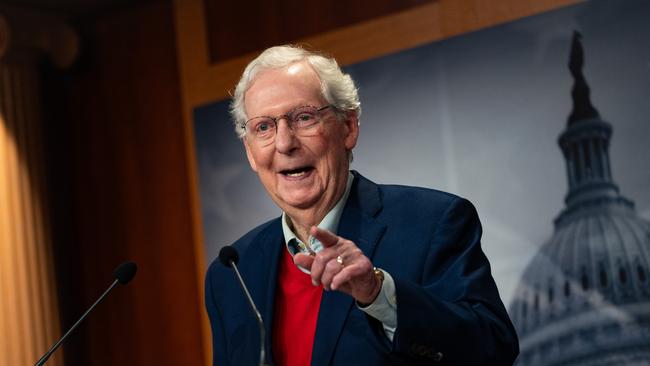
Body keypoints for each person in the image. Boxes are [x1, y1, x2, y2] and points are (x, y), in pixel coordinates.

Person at [205, 45, 519, 366]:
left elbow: (494, 347)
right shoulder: (232, 273)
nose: (285, 143)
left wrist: (379, 294)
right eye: (264, 127)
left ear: (348, 127)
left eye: (303, 118)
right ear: (249, 151)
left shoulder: (434, 222)